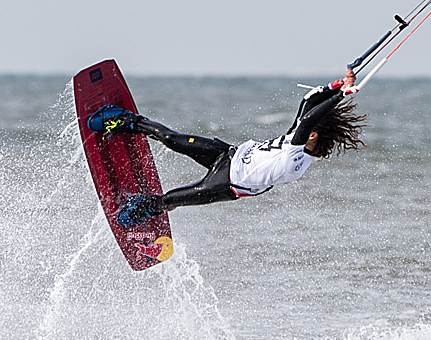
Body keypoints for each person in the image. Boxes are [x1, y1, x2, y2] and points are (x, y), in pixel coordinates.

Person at [88, 69, 367, 227]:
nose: (305, 130)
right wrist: (338, 85)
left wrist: (341, 96)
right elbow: (309, 101)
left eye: (310, 132)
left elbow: (308, 119)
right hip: (228, 155)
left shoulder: (296, 162)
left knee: (173, 200)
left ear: (314, 138)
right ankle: (127, 121)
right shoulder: (299, 136)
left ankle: (142, 208)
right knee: (172, 139)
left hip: (229, 184)